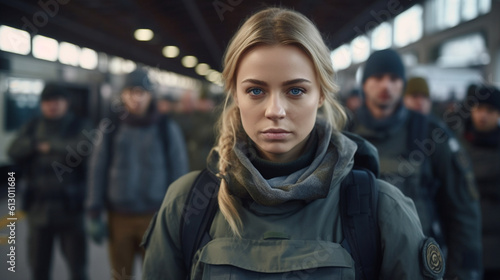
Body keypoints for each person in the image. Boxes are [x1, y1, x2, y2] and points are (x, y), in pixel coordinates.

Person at [141, 8, 445, 279]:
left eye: (295, 91)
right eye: (256, 91)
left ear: (321, 94)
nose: (275, 110)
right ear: (234, 92)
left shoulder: (379, 209)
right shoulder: (187, 205)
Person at [349, 48, 482, 280]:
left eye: (394, 79)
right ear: (365, 83)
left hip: (418, 266)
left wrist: (463, 272)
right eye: (377, 78)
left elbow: (463, 211)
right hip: (356, 265)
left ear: (402, 84)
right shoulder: (345, 134)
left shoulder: (432, 135)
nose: (386, 86)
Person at [85, 69, 189, 279]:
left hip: (155, 217)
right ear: (122, 95)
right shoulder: (111, 128)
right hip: (119, 216)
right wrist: (94, 209)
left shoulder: (165, 128)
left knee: (156, 274)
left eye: (141, 92)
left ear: (150, 95)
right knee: (121, 274)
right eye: (130, 92)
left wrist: (180, 214)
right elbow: (98, 168)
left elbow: (179, 170)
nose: (136, 98)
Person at [8, 83, 91, 280]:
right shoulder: (33, 126)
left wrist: (48, 146)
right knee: (39, 269)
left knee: (78, 270)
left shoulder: (79, 125)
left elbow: (83, 149)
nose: (52, 105)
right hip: (39, 211)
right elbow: (13, 150)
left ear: (66, 103)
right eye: (47, 101)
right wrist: (36, 145)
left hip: (70, 210)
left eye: (57, 100)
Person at [459, 85, 500, 280]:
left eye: (490, 111)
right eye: (479, 109)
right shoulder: (457, 145)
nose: (483, 115)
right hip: (465, 245)